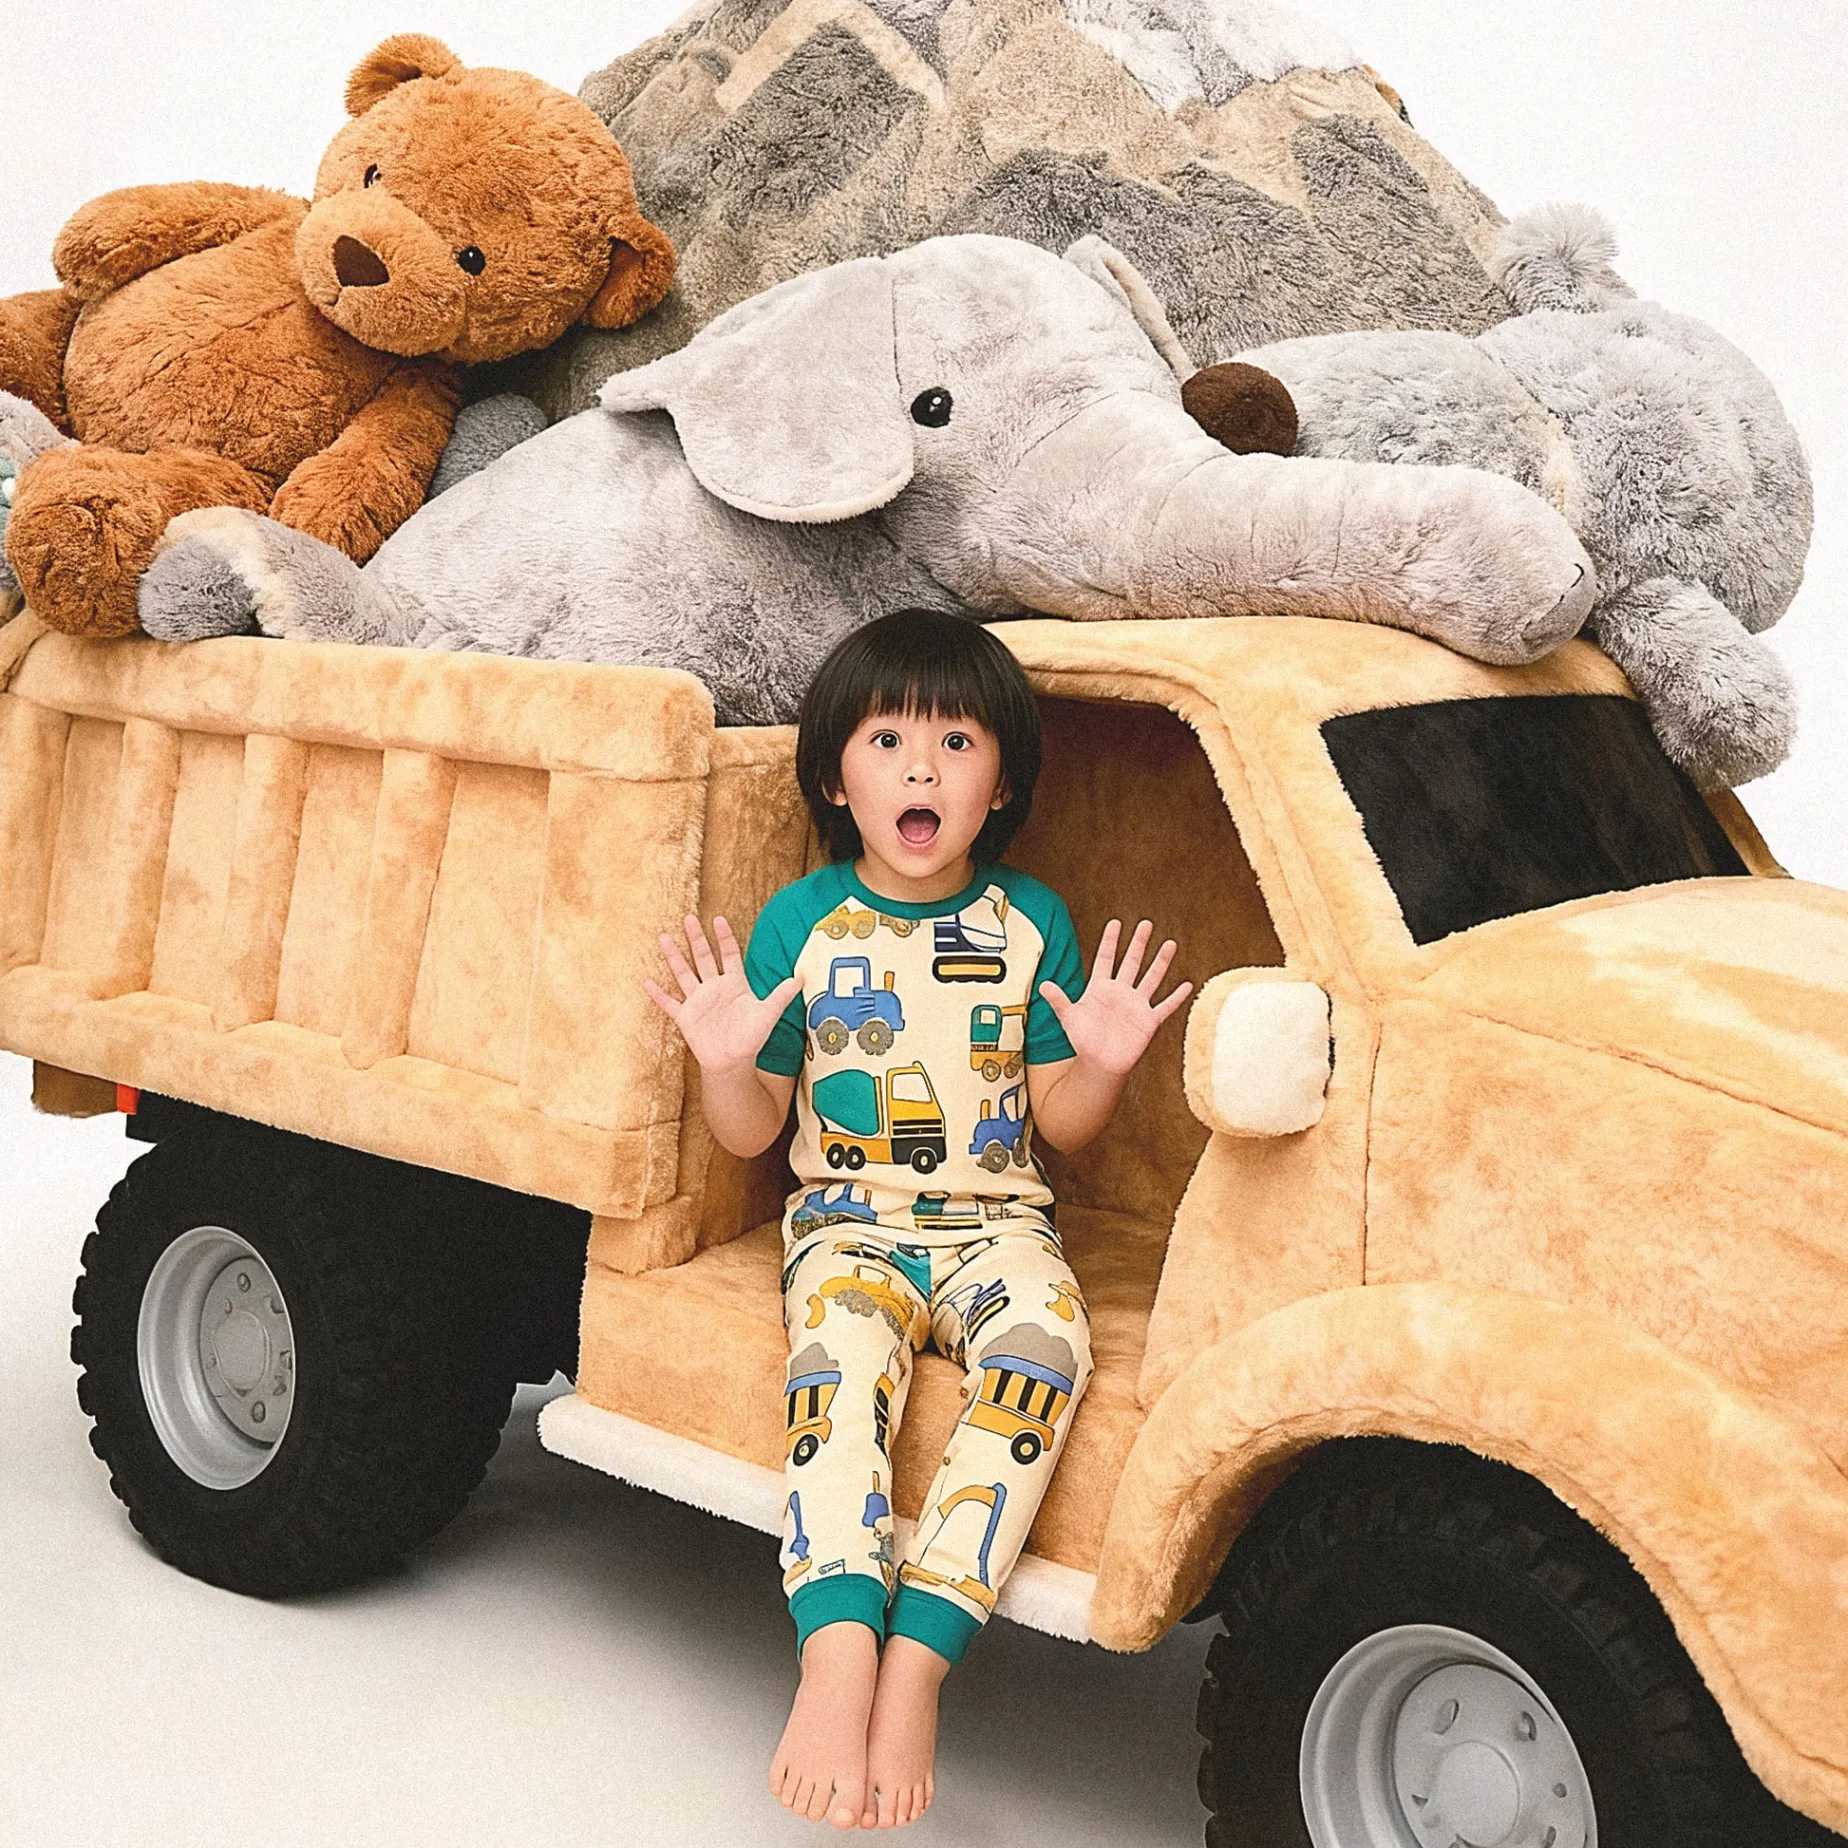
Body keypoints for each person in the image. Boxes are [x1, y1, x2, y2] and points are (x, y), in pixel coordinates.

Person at [644, 609, 1190, 1830]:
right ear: (838, 780)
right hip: (847, 1228)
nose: (923, 768)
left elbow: (1064, 1123)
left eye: (957, 741)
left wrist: (1104, 1064)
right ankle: (837, 1649)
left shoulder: (1031, 923)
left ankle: (922, 1660)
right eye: (888, 740)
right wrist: (726, 1064)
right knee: (836, 1378)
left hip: (1000, 1233)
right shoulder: (800, 925)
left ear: (1004, 786)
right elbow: (750, 1135)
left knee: (1048, 1352)